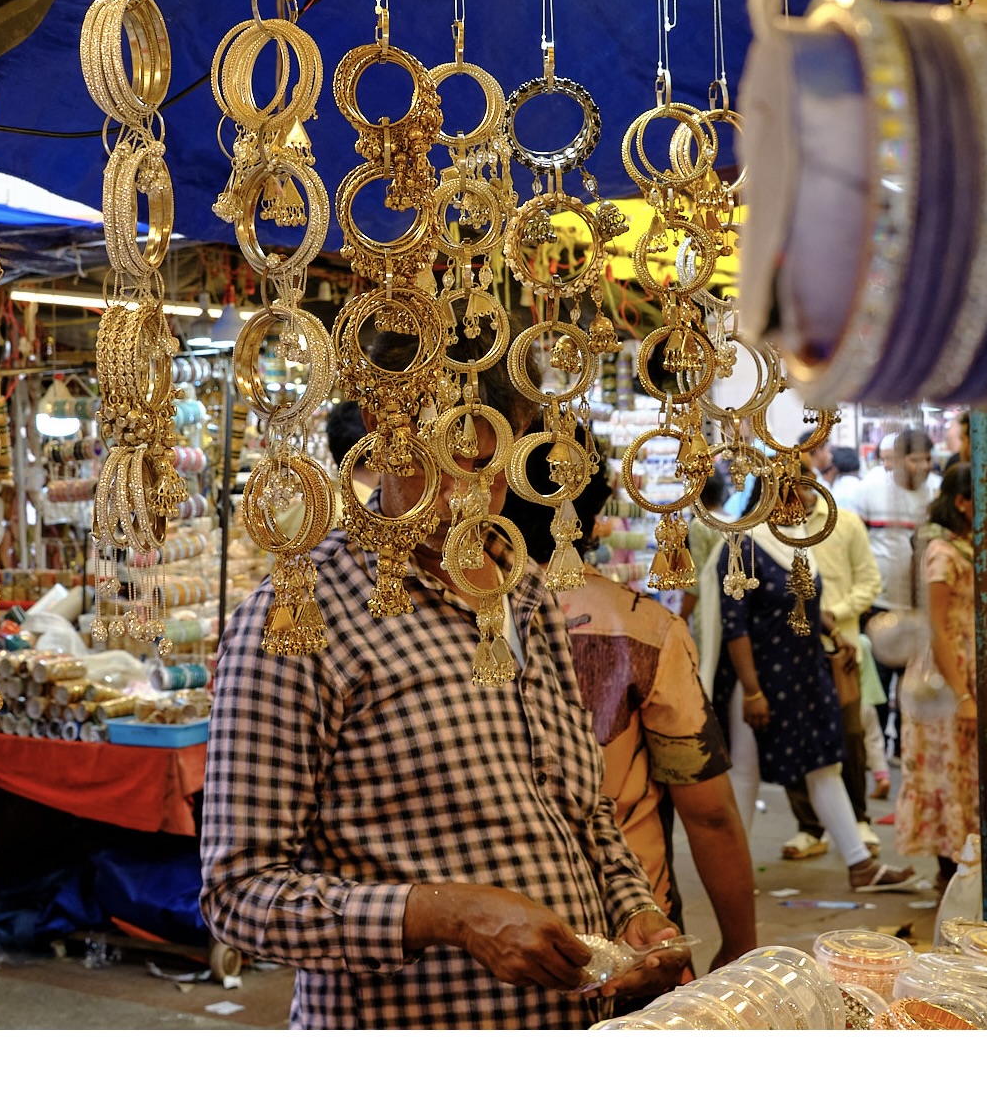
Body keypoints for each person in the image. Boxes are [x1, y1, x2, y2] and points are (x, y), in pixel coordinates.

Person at [200, 337, 686, 1028]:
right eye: (437, 453)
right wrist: (445, 914)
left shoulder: (527, 595)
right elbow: (238, 894)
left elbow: (585, 813)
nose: (464, 487)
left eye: (488, 458)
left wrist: (633, 911)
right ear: (378, 424)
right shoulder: (299, 616)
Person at [504, 436, 758, 973]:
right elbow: (707, 812)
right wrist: (739, 945)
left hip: (499, 932)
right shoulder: (643, 628)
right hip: (634, 935)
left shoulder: (451, 621)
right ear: (596, 517)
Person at [703, 522, 917, 890]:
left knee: (822, 765)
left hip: (803, 676)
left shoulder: (799, 540)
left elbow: (807, 606)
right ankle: (730, 872)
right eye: (795, 481)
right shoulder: (743, 545)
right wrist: (752, 692)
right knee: (746, 773)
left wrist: (835, 635)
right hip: (761, 679)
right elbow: (734, 624)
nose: (803, 492)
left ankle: (859, 864)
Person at [895, 462, 987, 890]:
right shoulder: (942, 553)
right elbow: (936, 627)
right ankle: (953, 875)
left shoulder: (967, 546)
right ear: (962, 503)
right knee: (953, 770)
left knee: (980, 769)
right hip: (951, 672)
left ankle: (979, 869)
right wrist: (961, 695)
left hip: (980, 666)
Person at [781, 500, 882, 859]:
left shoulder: (846, 522)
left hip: (841, 649)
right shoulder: (767, 529)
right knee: (795, 736)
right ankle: (809, 827)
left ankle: (858, 820)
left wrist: (831, 614)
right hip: (791, 650)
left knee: (850, 734)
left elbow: (870, 582)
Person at [848, 428, 934, 763]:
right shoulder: (869, 490)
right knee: (880, 684)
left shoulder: (934, 492)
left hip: (920, 605)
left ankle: (906, 746)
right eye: (916, 459)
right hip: (879, 603)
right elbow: (856, 547)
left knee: (914, 680)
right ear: (897, 461)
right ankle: (881, 750)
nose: (923, 466)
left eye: (927, 459)